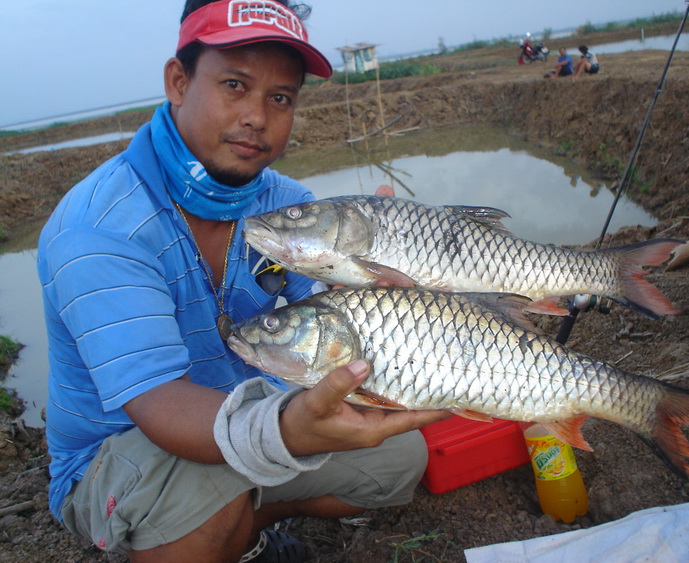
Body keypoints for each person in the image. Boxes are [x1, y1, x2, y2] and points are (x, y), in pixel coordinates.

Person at [37, 1, 449, 561]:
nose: (257, 115)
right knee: (209, 500)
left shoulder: (289, 206)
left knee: (397, 460)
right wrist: (285, 431)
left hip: (257, 410)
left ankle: (247, 524)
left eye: (280, 98)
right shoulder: (100, 226)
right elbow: (158, 405)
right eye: (235, 84)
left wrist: (386, 286)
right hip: (123, 450)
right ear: (178, 82)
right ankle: (219, 526)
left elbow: (332, 317)